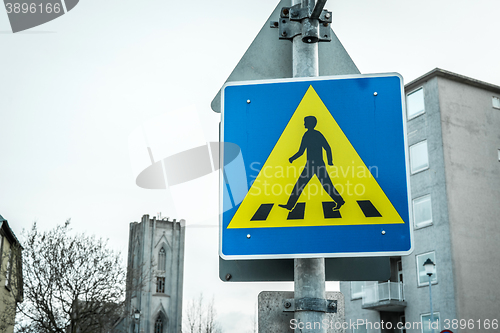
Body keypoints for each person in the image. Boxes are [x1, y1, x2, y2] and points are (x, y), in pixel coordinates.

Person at [278, 115, 344, 211]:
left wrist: (330, 161)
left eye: (305, 122)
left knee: (325, 185)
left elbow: (327, 147)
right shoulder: (309, 135)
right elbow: (302, 151)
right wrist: (292, 158)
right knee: (301, 185)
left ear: (310, 123)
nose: (304, 124)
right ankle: (289, 205)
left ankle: (340, 201)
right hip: (311, 165)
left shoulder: (314, 134)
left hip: (316, 165)